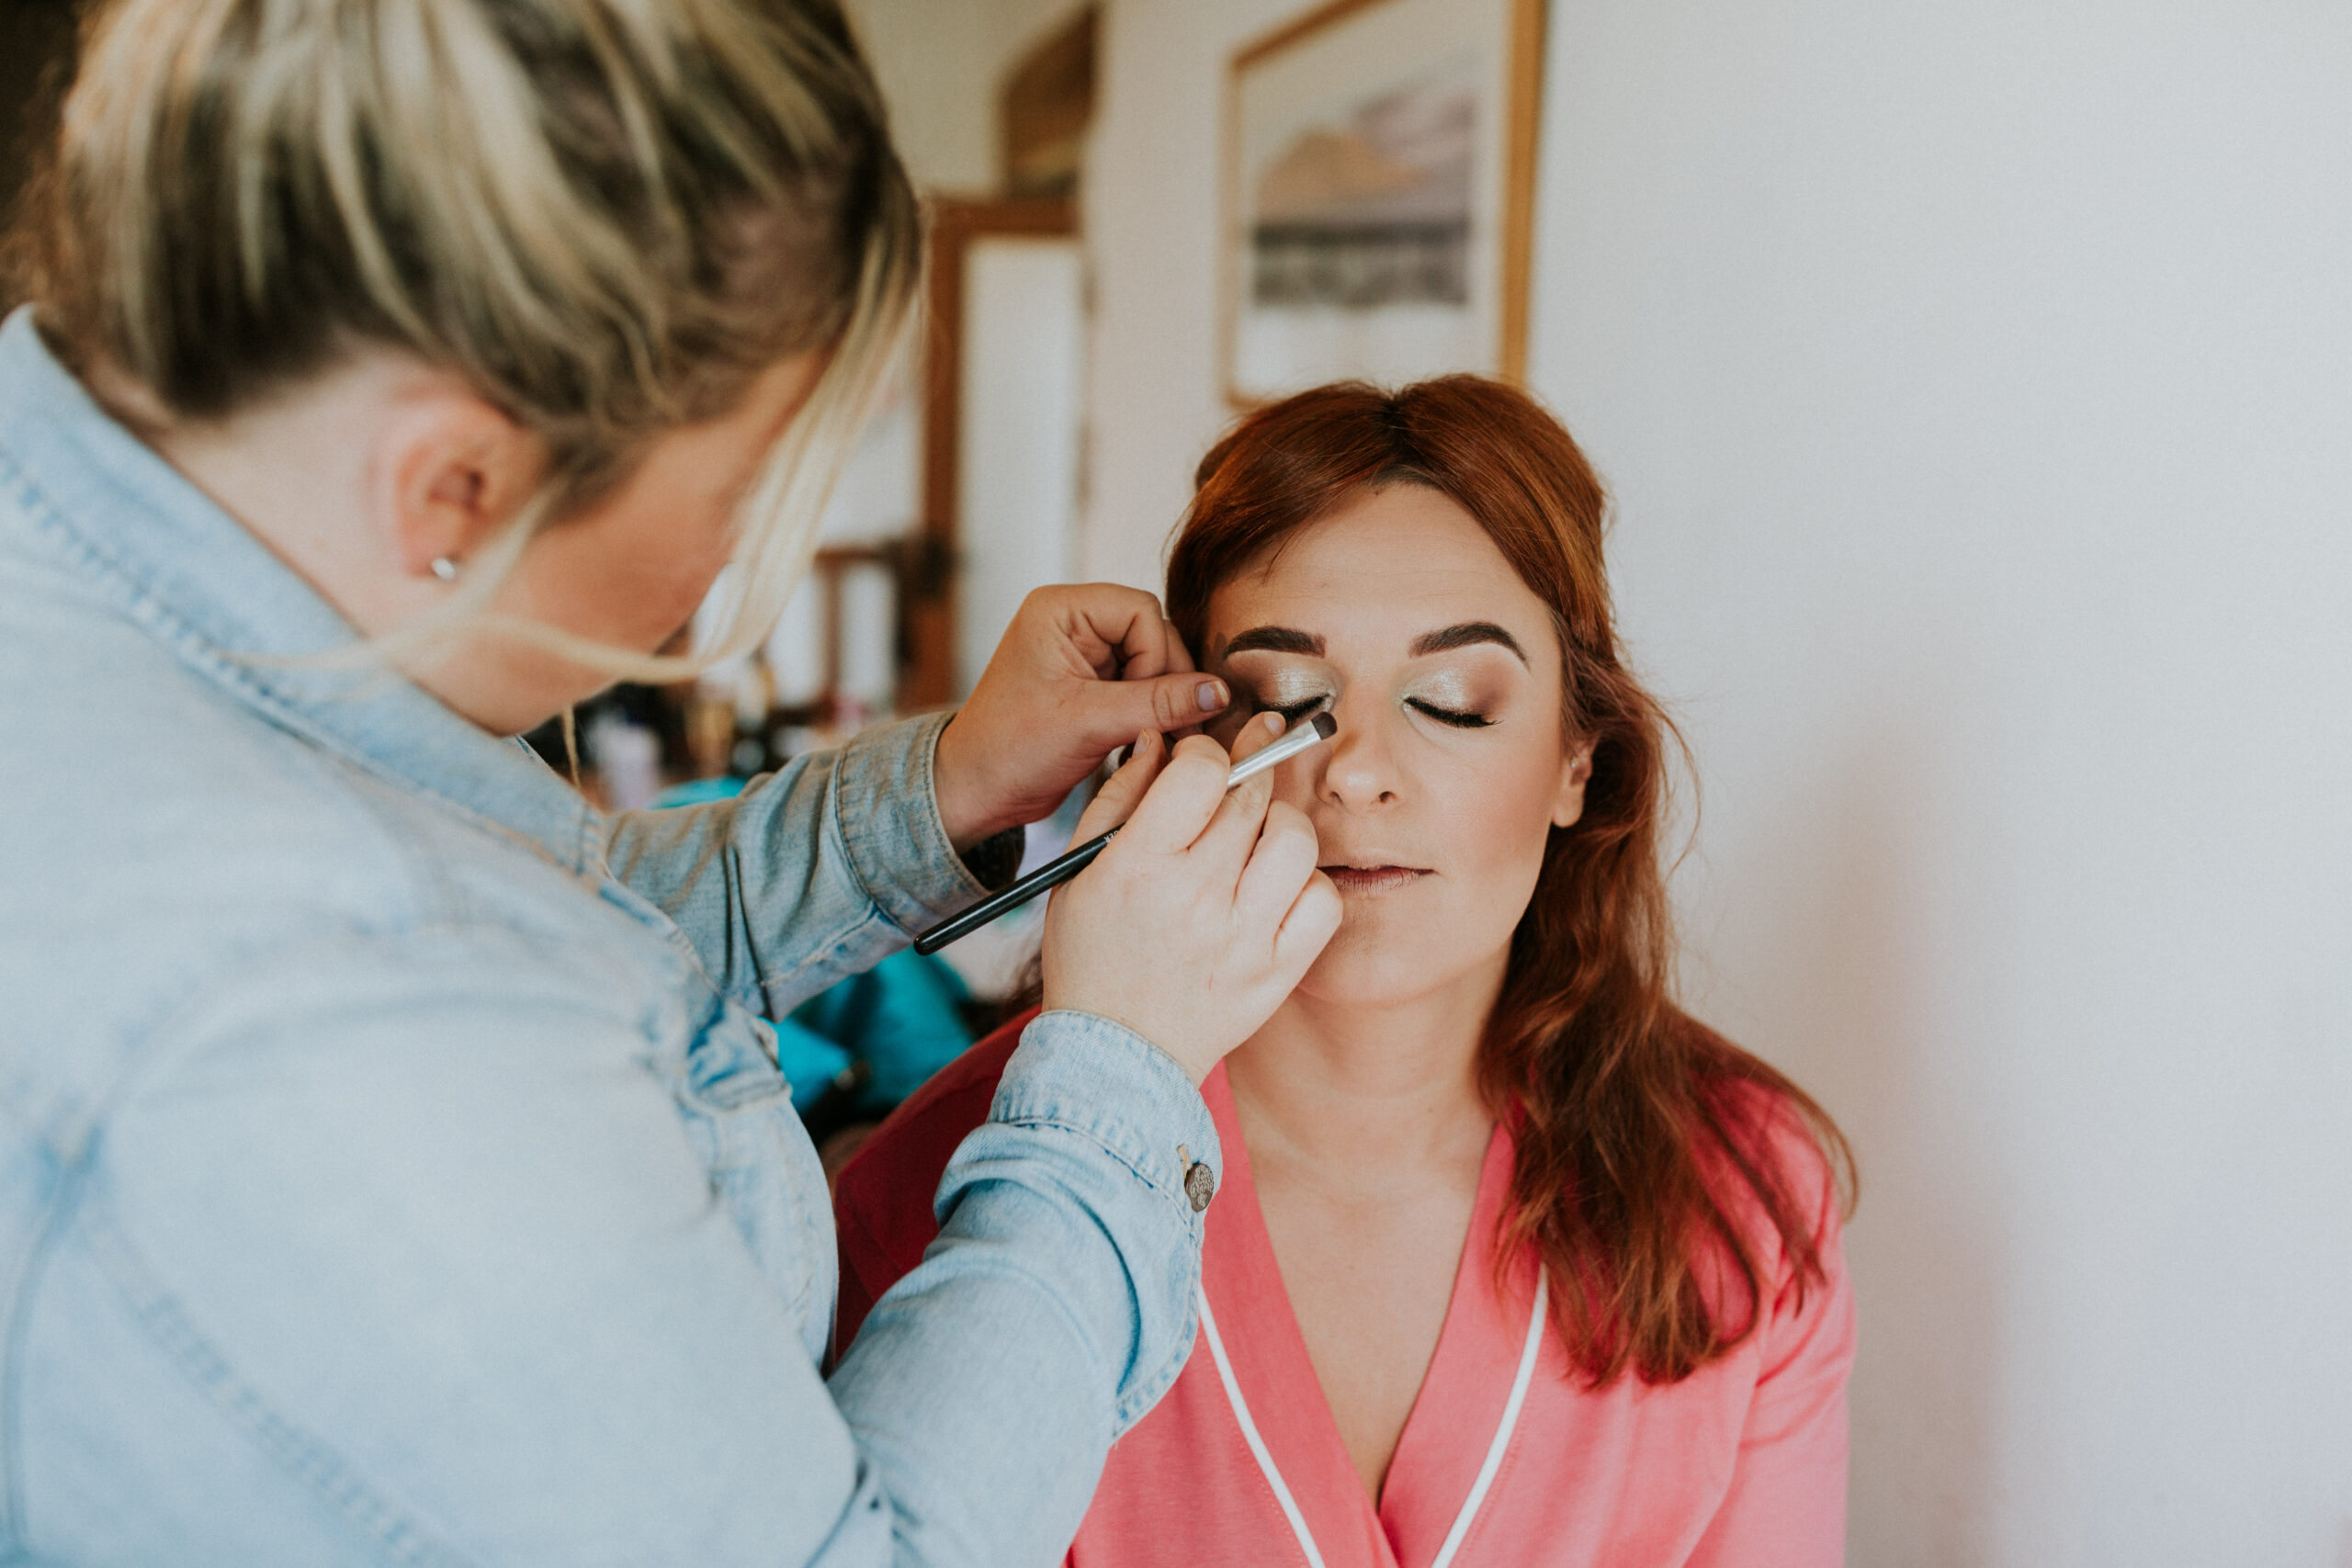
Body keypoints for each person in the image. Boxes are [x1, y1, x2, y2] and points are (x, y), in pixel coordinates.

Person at [0, 0, 1340, 1561]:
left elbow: (555, 923)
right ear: (454, 486)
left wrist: (944, 783)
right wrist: (1120, 1065)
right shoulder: (329, 1011)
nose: (714, 588)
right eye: (746, 488)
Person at [835, 378, 1860, 1567]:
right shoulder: (946, 1183)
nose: (1357, 773)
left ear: (1579, 760)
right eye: (1283, 700)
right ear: (1185, 743)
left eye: (1452, 702)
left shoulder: (1744, 1193)